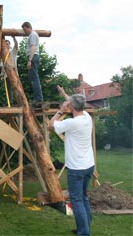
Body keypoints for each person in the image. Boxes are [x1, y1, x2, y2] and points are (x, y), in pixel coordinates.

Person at [48, 85, 95, 236]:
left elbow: (50, 125)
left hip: (76, 168)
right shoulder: (86, 116)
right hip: (88, 166)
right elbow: (73, 102)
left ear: (71, 107)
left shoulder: (71, 123)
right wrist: (63, 93)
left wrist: (61, 110)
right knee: (83, 197)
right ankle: (85, 227)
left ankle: (84, 232)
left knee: (76, 200)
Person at [22, 21, 43, 104]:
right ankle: (37, 98)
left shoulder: (33, 35)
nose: (24, 31)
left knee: (34, 78)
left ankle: (38, 99)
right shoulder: (33, 35)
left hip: (33, 57)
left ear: (29, 27)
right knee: (33, 78)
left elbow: (33, 47)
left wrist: (30, 60)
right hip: (33, 57)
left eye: (25, 29)